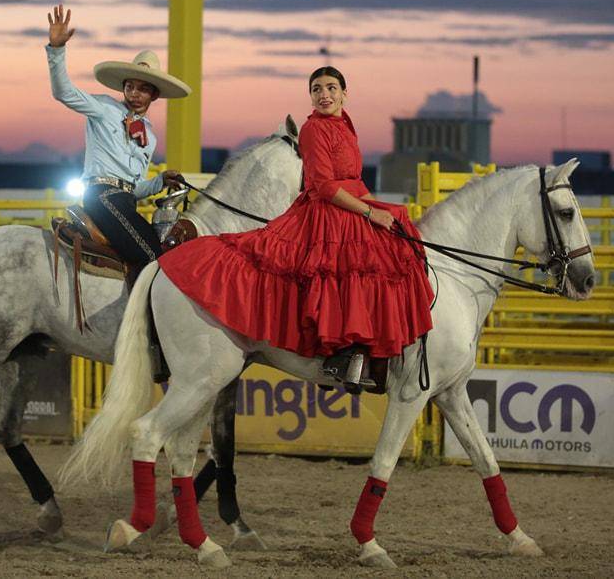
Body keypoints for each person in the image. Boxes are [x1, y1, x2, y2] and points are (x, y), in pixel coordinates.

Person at [158, 66, 434, 391]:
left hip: (349, 205)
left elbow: (355, 181)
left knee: (393, 241)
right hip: (326, 212)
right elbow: (324, 186)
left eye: (331, 88)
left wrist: (380, 211)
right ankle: (339, 356)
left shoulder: (345, 126)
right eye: (317, 89)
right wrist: (370, 213)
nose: (324, 95)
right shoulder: (313, 129)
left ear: (346, 93)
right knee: (339, 273)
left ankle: (381, 348)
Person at [46, 3, 189, 271]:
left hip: (125, 202)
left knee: (161, 247)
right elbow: (63, 92)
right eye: (130, 86)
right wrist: (56, 50)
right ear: (123, 88)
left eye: (143, 89)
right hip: (101, 196)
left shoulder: (150, 137)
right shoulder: (103, 108)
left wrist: (159, 181)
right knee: (152, 255)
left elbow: (135, 188)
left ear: (153, 95)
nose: (134, 93)